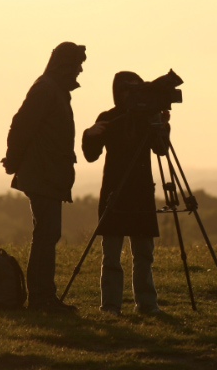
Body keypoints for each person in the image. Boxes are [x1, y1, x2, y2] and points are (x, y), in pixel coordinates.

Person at [1, 42, 87, 313]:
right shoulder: (47, 89)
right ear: (66, 65)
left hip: (47, 174)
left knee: (47, 235)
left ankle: (44, 297)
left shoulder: (52, 89)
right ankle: (41, 299)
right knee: (46, 235)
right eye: (77, 64)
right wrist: (13, 160)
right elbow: (21, 124)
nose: (80, 70)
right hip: (43, 174)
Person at [81, 71, 169, 316]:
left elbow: (161, 150)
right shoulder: (109, 118)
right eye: (127, 89)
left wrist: (162, 126)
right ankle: (110, 306)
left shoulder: (147, 117)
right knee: (111, 256)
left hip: (140, 193)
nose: (132, 94)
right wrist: (89, 135)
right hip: (114, 192)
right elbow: (91, 155)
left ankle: (147, 305)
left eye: (137, 89)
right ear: (118, 92)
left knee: (144, 255)